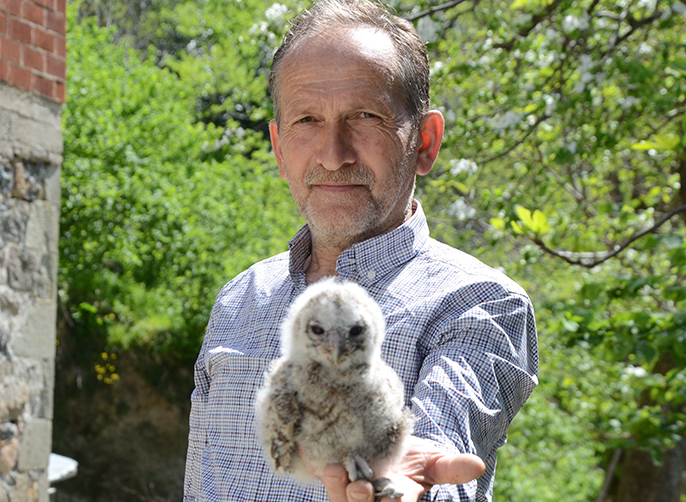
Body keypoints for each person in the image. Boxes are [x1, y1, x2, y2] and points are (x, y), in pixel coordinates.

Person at [183, 0, 539, 500]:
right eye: (307, 120)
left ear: (425, 142)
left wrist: (402, 480)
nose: (333, 154)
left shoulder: (478, 303)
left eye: (366, 116)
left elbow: (439, 442)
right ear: (280, 149)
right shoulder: (238, 299)